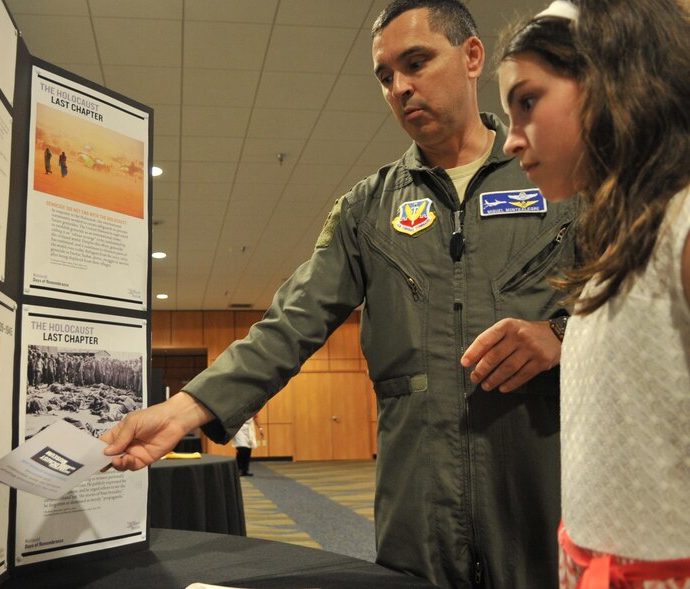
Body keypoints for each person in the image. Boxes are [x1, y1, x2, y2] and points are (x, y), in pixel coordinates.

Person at [103, 1, 579, 586]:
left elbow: (639, 311)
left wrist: (561, 336)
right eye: (385, 77)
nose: (400, 88)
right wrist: (184, 409)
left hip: (540, 480)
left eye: (416, 62)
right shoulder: (368, 210)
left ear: (473, 55)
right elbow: (289, 324)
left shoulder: (558, 177)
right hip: (417, 502)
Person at [489, 1, 690, 586]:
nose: (510, 141)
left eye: (527, 101)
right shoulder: (617, 243)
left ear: (614, 75)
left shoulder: (682, 223)